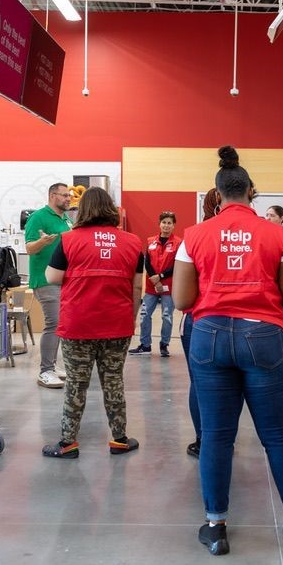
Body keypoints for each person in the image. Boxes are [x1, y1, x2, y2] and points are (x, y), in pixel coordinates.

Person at [173, 146, 283, 556]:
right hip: (264, 336)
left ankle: (216, 527)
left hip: (209, 336)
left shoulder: (193, 237)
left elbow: (181, 300)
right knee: (278, 434)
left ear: (216, 195)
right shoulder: (280, 235)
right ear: (253, 192)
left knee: (216, 436)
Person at [41, 188, 144, 458]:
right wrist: (130, 319)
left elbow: (52, 277)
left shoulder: (68, 240)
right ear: (110, 208)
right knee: (113, 382)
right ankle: (120, 439)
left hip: (78, 326)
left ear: (83, 209)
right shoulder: (133, 242)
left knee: (76, 383)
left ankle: (68, 444)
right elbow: (136, 289)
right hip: (117, 324)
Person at [180, 188, 223, 458]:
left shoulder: (195, 235)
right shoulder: (258, 233)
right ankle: (223, 436)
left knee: (199, 382)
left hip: (200, 319)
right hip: (245, 321)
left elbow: (182, 297)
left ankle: (204, 439)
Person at [25, 183, 74, 388]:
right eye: (64, 195)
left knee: (61, 324)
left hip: (61, 279)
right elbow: (29, 248)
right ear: (53, 196)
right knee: (53, 323)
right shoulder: (38, 217)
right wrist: (43, 242)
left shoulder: (65, 219)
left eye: (69, 196)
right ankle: (45, 371)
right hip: (45, 280)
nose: (68, 199)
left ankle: (52, 366)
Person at [129, 211, 181, 358]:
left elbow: (176, 264)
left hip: (168, 287)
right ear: (159, 224)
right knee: (145, 314)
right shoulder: (151, 240)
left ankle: (164, 344)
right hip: (152, 286)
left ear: (173, 225)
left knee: (167, 316)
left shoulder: (178, 243)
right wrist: (154, 278)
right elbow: (147, 262)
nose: (166, 225)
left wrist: (161, 277)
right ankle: (145, 345)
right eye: (164, 222)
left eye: (169, 223)